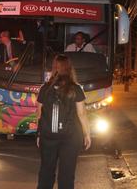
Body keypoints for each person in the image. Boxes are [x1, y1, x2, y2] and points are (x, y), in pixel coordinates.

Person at [36, 55, 91, 189]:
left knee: (46, 171)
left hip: (48, 135)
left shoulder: (45, 88)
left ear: (54, 68)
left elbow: (39, 113)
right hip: (71, 137)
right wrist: (87, 134)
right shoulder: (76, 88)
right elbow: (82, 113)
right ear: (69, 68)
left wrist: (39, 133)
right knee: (67, 174)